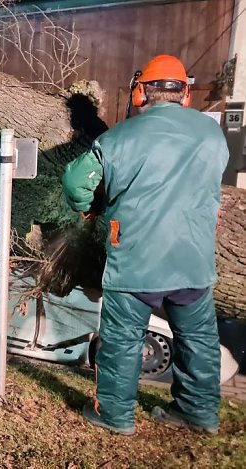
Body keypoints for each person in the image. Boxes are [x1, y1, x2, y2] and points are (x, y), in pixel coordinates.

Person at [60, 55, 229, 436]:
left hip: (136, 263)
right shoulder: (212, 134)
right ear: (184, 94)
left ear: (140, 93)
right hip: (193, 263)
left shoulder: (118, 138)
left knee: (121, 342)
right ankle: (199, 414)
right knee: (198, 341)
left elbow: (75, 183)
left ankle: (115, 416)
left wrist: (92, 208)